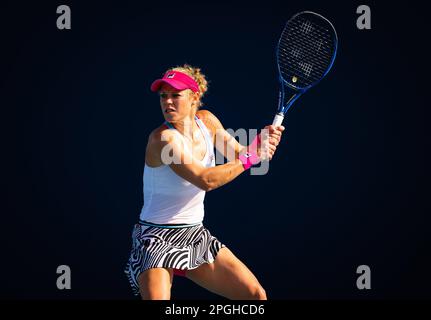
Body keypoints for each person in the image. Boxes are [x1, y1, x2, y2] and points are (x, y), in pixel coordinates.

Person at [125, 64, 284, 300]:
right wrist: (252, 156)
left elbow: (240, 156)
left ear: (194, 97)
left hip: (193, 233)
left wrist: (261, 145)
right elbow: (206, 180)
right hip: (155, 238)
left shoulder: (207, 122)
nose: (167, 102)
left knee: (255, 296)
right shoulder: (163, 139)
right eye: (163, 96)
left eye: (175, 95)